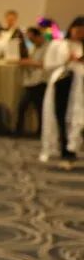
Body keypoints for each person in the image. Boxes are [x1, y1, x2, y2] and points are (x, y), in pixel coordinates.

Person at [40, 16, 84, 165]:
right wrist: (67, 60)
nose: (79, 34)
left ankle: (74, 147)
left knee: (78, 117)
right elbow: (48, 64)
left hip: (80, 84)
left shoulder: (81, 45)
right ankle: (64, 147)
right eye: (78, 30)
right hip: (63, 81)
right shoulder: (58, 44)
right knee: (62, 115)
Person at [15, 26, 49, 136]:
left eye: (32, 38)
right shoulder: (34, 48)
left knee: (36, 107)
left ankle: (37, 131)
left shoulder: (47, 48)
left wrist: (28, 62)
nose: (31, 41)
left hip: (40, 81)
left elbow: (45, 63)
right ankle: (21, 129)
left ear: (38, 36)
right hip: (31, 81)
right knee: (29, 106)